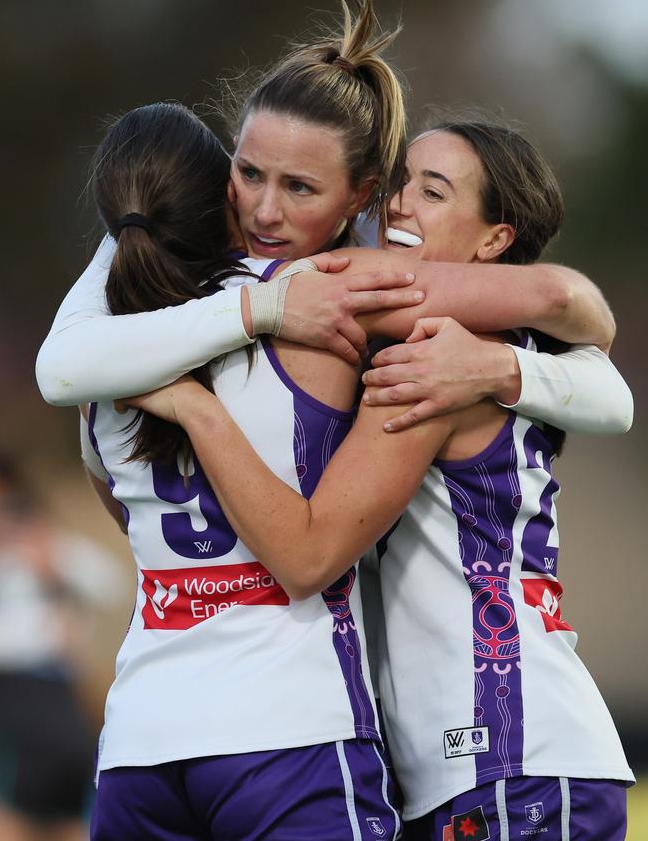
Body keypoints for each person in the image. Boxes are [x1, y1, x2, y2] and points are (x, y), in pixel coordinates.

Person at [38, 0, 629, 840]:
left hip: (502, 747)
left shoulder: (409, 329)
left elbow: (586, 339)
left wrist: (507, 363)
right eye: (247, 173)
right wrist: (263, 310)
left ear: (354, 194)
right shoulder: (199, 285)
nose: (265, 208)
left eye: (433, 192)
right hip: (406, 754)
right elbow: (65, 373)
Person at [130, 121, 633, 840]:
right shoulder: (473, 346)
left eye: (432, 191)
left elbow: (308, 554)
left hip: (505, 754)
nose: (399, 205)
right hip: (484, 766)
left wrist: (185, 400)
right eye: (399, 184)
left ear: (495, 241)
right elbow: (585, 345)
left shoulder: (436, 355)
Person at [0, 452, 123, 841]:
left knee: (70, 801)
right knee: (16, 808)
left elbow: (112, 585)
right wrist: (42, 632)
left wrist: (54, 562)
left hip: (58, 691)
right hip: (11, 693)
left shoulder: (44, 545)